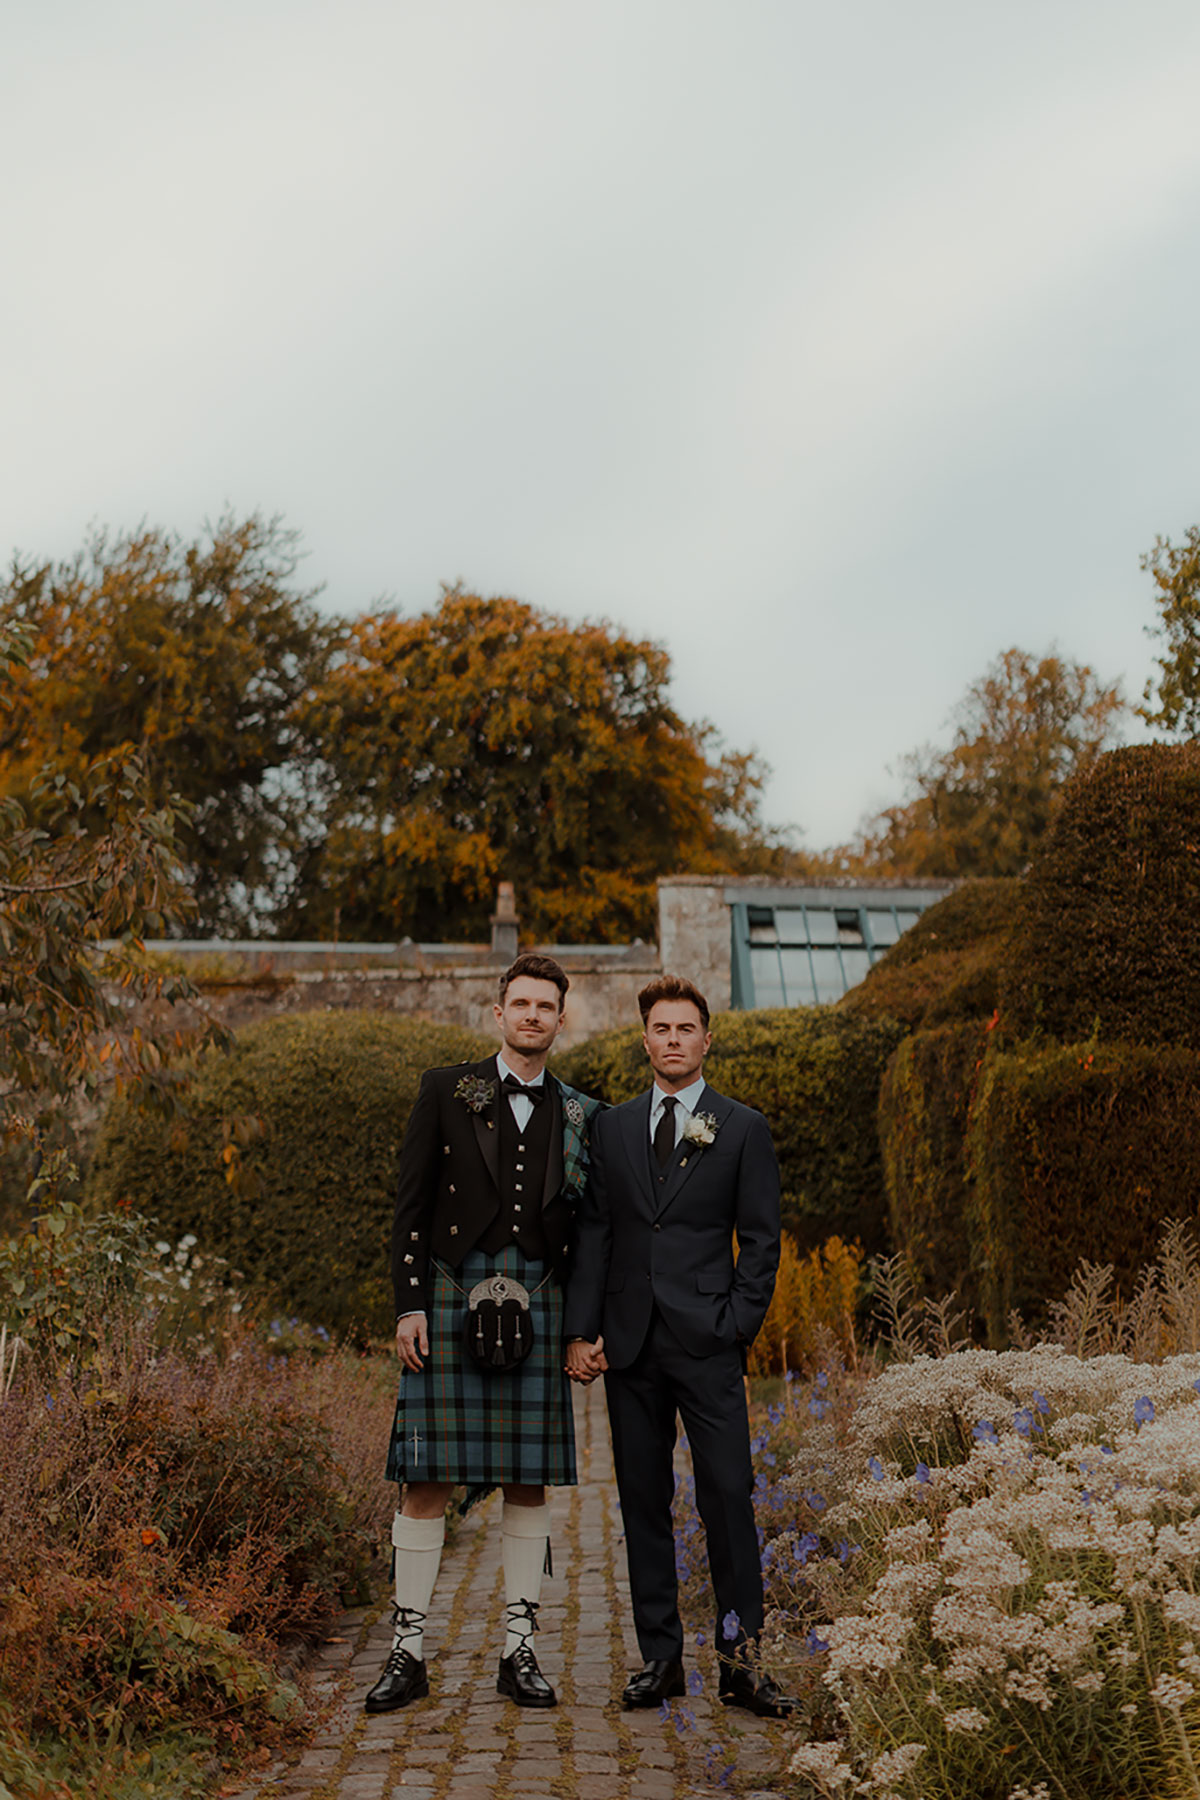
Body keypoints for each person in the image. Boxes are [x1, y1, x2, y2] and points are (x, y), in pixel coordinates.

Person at [366, 953, 602, 1714]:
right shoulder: (446, 1089)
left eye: (546, 1006)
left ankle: (518, 1650)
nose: (533, 1016)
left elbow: (595, 1233)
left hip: (540, 1305)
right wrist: (408, 1304)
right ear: (498, 1013)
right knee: (426, 1480)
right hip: (449, 1294)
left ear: (561, 1020)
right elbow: (410, 1204)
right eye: (521, 1003)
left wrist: (583, 1326)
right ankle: (406, 1653)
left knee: (526, 1482)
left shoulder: (583, 1114)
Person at [564, 974, 793, 1718]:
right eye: (660, 1028)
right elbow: (595, 1232)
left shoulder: (742, 1127)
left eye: (684, 1028)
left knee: (728, 1497)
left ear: (705, 1039)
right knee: (643, 1503)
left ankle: (742, 1665)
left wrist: (734, 1326)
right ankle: (659, 1661)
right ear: (645, 1039)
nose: (672, 1040)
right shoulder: (614, 1128)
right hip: (631, 1345)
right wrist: (582, 1328)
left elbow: (760, 1242)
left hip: (707, 1344)